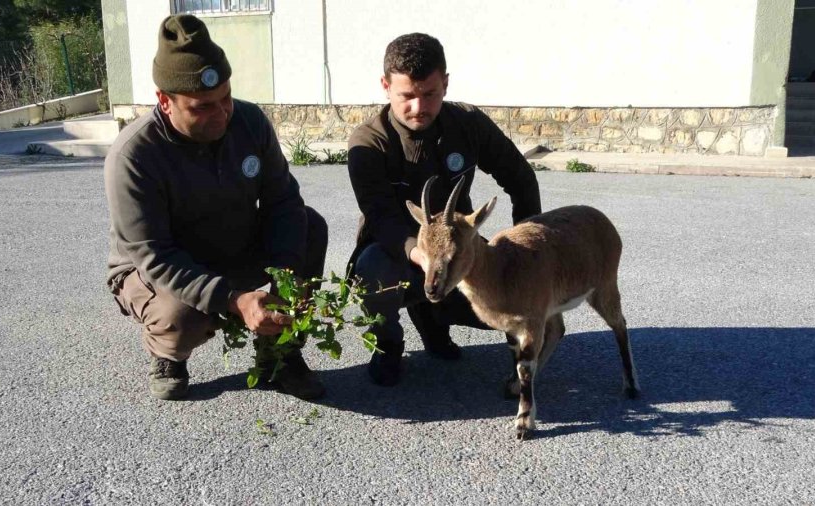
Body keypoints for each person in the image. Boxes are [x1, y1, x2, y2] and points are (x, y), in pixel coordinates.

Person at [104, 14, 327, 401]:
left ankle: (280, 351)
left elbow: (283, 202)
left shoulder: (249, 121)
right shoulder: (133, 156)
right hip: (158, 267)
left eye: (226, 97)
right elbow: (154, 255)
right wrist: (235, 300)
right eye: (202, 107)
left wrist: (285, 279)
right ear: (164, 101)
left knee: (309, 226)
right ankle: (168, 353)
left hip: (231, 246)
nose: (222, 112)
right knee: (182, 316)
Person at [346, 32, 548, 386]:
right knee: (371, 274)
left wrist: (527, 246)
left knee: (512, 290)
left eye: (430, 94)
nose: (418, 107)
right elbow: (381, 218)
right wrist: (426, 259)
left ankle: (436, 321)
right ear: (386, 86)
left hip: (459, 247)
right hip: (399, 251)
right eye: (407, 96)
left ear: (446, 84)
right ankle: (388, 344)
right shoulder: (369, 142)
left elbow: (521, 179)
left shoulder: (467, 123)